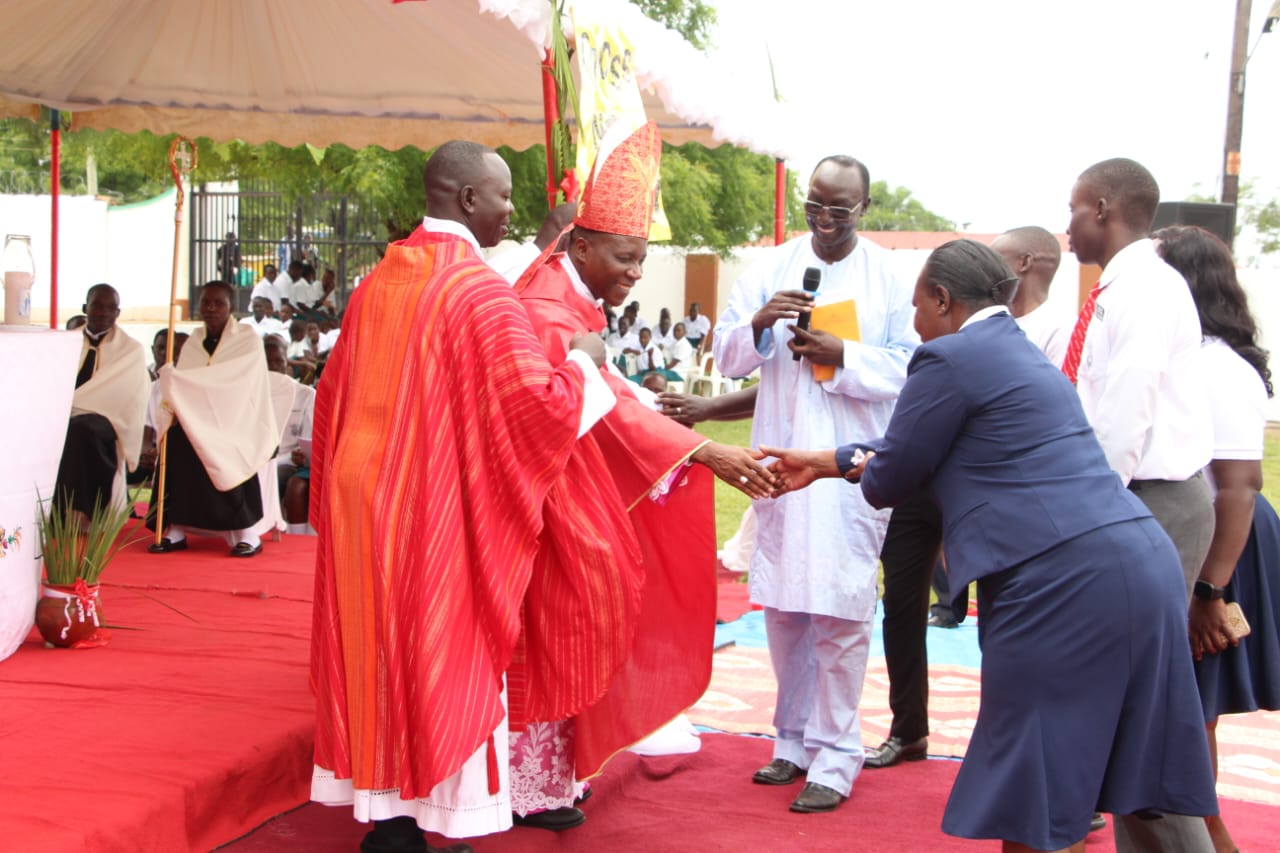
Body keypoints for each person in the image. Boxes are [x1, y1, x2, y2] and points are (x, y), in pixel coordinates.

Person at [763, 239, 1219, 853]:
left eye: (917, 306)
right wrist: (826, 461)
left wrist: (841, 466)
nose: (913, 322)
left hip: (1061, 583)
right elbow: (926, 451)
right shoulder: (1014, 352)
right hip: (1137, 561)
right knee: (1140, 773)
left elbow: (895, 476)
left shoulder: (948, 359)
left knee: (1032, 787)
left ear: (944, 301)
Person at [309, 139, 615, 853]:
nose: (513, 211)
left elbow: (334, 394)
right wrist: (582, 362)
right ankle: (434, 814)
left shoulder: (379, 279)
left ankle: (384, 817)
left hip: (363, 498)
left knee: (377, 651)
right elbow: (534, 408)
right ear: (468, 198)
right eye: (504, 196)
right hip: (430, 502)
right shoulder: (478, 292)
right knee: (443, 653)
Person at [511, 120, 775, 829]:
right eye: (625, 257)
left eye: (640, 257)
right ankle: (529, 783)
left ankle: (548, 775)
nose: (634, 271)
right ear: (583, 245)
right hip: (537, 499)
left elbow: (610, 392)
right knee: (564, 616)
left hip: (560, 489)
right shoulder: (544, 308)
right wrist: (707, 452)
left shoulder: (569, 297)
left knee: (582, 610)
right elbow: (593, 409)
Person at [712, 154, 917, 813]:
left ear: (864, 207)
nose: (825, 221)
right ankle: (792, 739)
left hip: (844, 468)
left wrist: (843, 355)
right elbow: (725, 355)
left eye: (839, 209)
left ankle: (835, 753)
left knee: (838, 608)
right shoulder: (770, 267)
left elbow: (916, 368)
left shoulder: (890, 275)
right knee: (784, 609)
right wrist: (759, 324)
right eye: (815, 206)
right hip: (780, 457)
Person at [1154, 224, 1280, 853]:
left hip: (1222, 547)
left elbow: (1239, 486)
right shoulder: (1188, 356)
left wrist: (1210, 590)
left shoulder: (1217, 367)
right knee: (1183, 703)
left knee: (1191, 702)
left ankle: (1208, 833)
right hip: (1199, 539)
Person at [146, 281, 278, 558]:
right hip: (197, 419)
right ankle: (178, 526)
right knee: (177, 438)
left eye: (219, 303)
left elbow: (237, 381)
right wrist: (175, 380)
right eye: (206, 302)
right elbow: (187, 385)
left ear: (231, 308)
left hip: (237, 418)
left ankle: (247, 532)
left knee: (227, 444)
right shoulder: (194, 341)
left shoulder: (246, 338)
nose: (211, 308)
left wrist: (181, 380)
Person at [53, 284, 150, 525]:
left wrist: (74, 406)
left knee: (81, 430)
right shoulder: (65, 343)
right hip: (61, 415)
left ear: (117, 313)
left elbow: (130, 396)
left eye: (110, 308)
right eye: (97, 305)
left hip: (109, 419)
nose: (102, 313)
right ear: (86, 308)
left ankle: (81, 511)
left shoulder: (131, 350)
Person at [990, 225, 1071, 366]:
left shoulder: (1060, 329)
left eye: (995, 261)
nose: (987, 270)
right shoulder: (990, 323)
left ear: (1024, 262)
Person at [263, 336, 315, 536]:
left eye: (278, 361)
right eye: (267, 363)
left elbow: (305, 445)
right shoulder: (250, 393)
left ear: (287, 364)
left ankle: (295, 537)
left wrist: (290, 458)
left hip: (289, 463)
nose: (273, 367)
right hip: (254, 462)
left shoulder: (305, 394)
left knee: (282, 479)